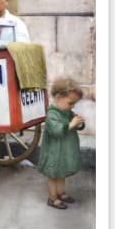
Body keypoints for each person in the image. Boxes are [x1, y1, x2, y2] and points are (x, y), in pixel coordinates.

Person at [37, 77, 85, 209]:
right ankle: (52, 198)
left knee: (61, 173)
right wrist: (71, 125)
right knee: (53, 175)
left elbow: (73, 124)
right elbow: (56, 130)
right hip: (54, 153)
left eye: (74, 103)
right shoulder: (52, 114)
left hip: (63, 152)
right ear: (59, 97)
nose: (72, 106)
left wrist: (78, 123)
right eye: (70, 103)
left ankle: (61, 193)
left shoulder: (66, 112)